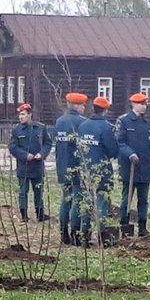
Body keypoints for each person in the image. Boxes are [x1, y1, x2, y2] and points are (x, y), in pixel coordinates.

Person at [76, 96, 120, 246]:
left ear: (93, 108)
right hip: (102, 169)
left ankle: (85, 236)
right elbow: (113, 150)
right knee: (102, 201)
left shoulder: (82, 126)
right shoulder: (107, 127)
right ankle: (103, 236)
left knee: (87, 201)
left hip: (85, 168)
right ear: (105, 110)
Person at [115, 92, 150, 237]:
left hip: (145, 167)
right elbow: (119, 142)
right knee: (126, 198)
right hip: (129, 167)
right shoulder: (124, 122)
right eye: (141, 104)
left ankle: (142, 226)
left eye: (145, 104)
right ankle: (124, 224)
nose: (144, 106)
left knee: (143, 199)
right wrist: (130, 153)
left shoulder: (149, 125)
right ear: (133, 104)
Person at [7, 103, 52, 222]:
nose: (20, 117)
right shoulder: (17, 130)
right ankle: (24, 215)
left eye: (23, 114)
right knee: (23, 192)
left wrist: (42, 154)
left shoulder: (41, 128)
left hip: (37, 166)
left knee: (38, 191)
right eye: (20, 115)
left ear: (30, 115)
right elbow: (12, 147)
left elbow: (48, 143)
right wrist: (25, 155)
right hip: (24, 166)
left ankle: (40, 214)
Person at [53, 92, 88, 244]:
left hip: (62, 166)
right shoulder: (82, 123)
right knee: (78, 199)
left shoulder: (59, 121)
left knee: (65, 199)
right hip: (76, 167)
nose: (84, 108)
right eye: (82, 105)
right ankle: (75, 232)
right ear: (77, 106)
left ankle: (63, 232)